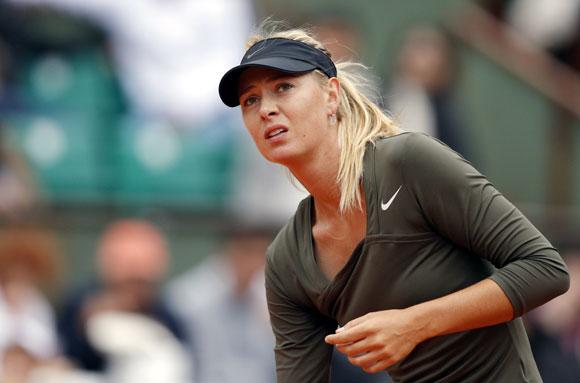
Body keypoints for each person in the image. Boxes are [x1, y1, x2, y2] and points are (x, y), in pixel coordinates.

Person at [217, 24, 570, 382]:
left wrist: (414, 324)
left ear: (331, 95)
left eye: (284, 87)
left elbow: (545, 269)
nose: (266, 110)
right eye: (251, 100)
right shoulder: (286, 261)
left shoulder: (410, 164)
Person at [57, 219, 188, 376]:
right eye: (126, 266)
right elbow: (70, 358)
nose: (134, 275)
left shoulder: (169, 314)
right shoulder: (80, 305)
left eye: (141, 270)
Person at [166, 224, 276, 383]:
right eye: (248, 252)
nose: (255, 262)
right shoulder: (188, 299)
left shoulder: (267, 297)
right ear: (230, 251)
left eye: (261, 254)